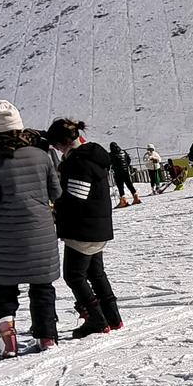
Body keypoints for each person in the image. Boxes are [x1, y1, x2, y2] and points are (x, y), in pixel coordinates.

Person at [0, 101, 60, 355]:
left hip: (4, 237)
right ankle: (47, 337)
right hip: (39, 232)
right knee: (42, 287)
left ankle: (8, 342)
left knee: (4, 289)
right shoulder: (41, 156)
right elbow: (56, 191)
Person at [46, 117, 122, 339]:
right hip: (99, 225)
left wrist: (55, 209)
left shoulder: (78, 162)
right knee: (96, 273)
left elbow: (75, 199)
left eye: (56, 145)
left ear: (63, 143)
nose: (57, 150)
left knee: (74, 275)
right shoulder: (92, 155)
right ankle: (113, 317)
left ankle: (97, 320)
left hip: (83, 229)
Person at [108, 142, 142, 208]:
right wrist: (126, 166)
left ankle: (123, 201)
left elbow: (109, 162)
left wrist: (112, 168)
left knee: (120, 186)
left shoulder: (111, 154)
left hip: (118, 172)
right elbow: (129, 159)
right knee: (129, 184)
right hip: (126, 171)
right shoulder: (123, 152)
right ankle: (136, 197)